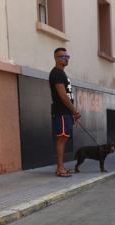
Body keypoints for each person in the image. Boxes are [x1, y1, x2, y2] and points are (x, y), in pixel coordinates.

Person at [49, 47, 81, 177]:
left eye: (67, 57)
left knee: (64, 138)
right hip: (61, 112)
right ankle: (60, 168)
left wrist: (72, 113)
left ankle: (61, 167)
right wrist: (74, 112)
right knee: (62, 139)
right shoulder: (57, 73)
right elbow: (63, 96)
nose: (66, 59)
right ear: (56, 58)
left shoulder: (62, 73)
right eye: (63, 57)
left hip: (66, 112)